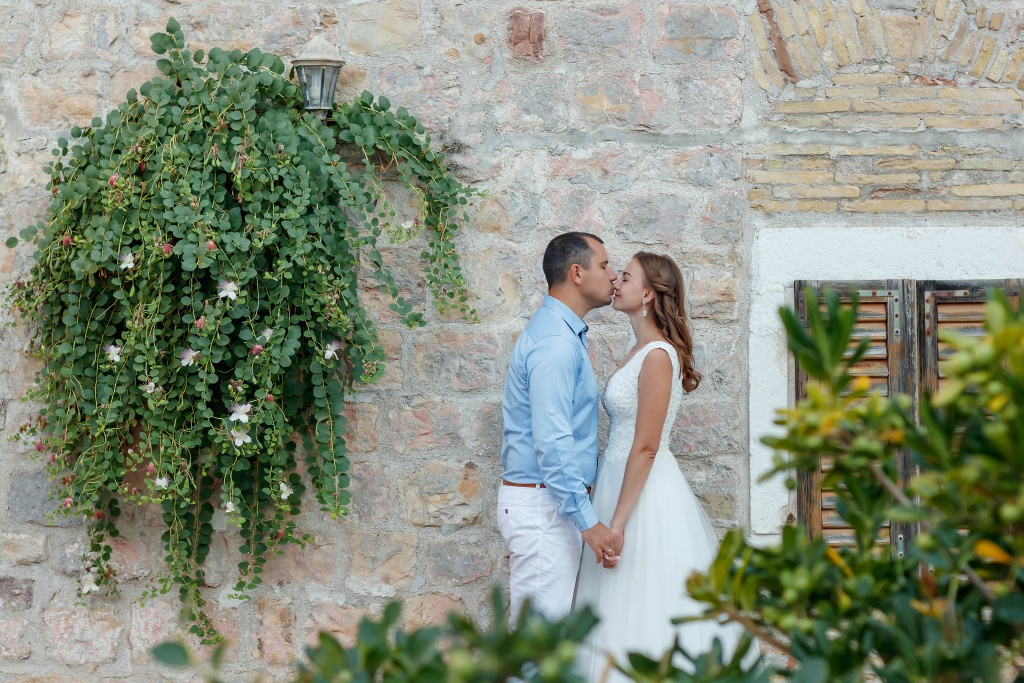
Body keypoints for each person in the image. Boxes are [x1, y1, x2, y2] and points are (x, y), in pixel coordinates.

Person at [573, 252, 760, 680]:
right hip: (616, 484)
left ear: (649, 295)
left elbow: (646, 447)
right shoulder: (637, 351)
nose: (616, 282)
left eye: (626, 277)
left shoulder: (658, 355)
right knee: (615, 605)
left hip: (641, 495)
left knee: (645, 600)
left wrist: (617, 523)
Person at [497, 232, 622, 623]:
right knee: (538, 644)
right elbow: (552, 441)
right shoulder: (555, 341)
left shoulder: (562, 333)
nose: (613, 275)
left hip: (550, 505)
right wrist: (587, 522)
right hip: (545, 509)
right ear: (577, 273)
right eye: (604, 265)